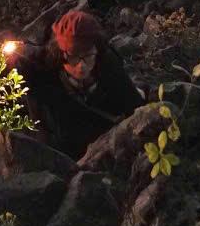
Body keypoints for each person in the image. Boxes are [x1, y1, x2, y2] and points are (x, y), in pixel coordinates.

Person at [9, 9, 142, 160]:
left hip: (103, 134)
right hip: (62, 141)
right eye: (73, 56)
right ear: (61, 52)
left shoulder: (108, 63)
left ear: (97, 50)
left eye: (88, 56)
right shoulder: (39, 67)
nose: (81, 66)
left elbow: (134, 104)